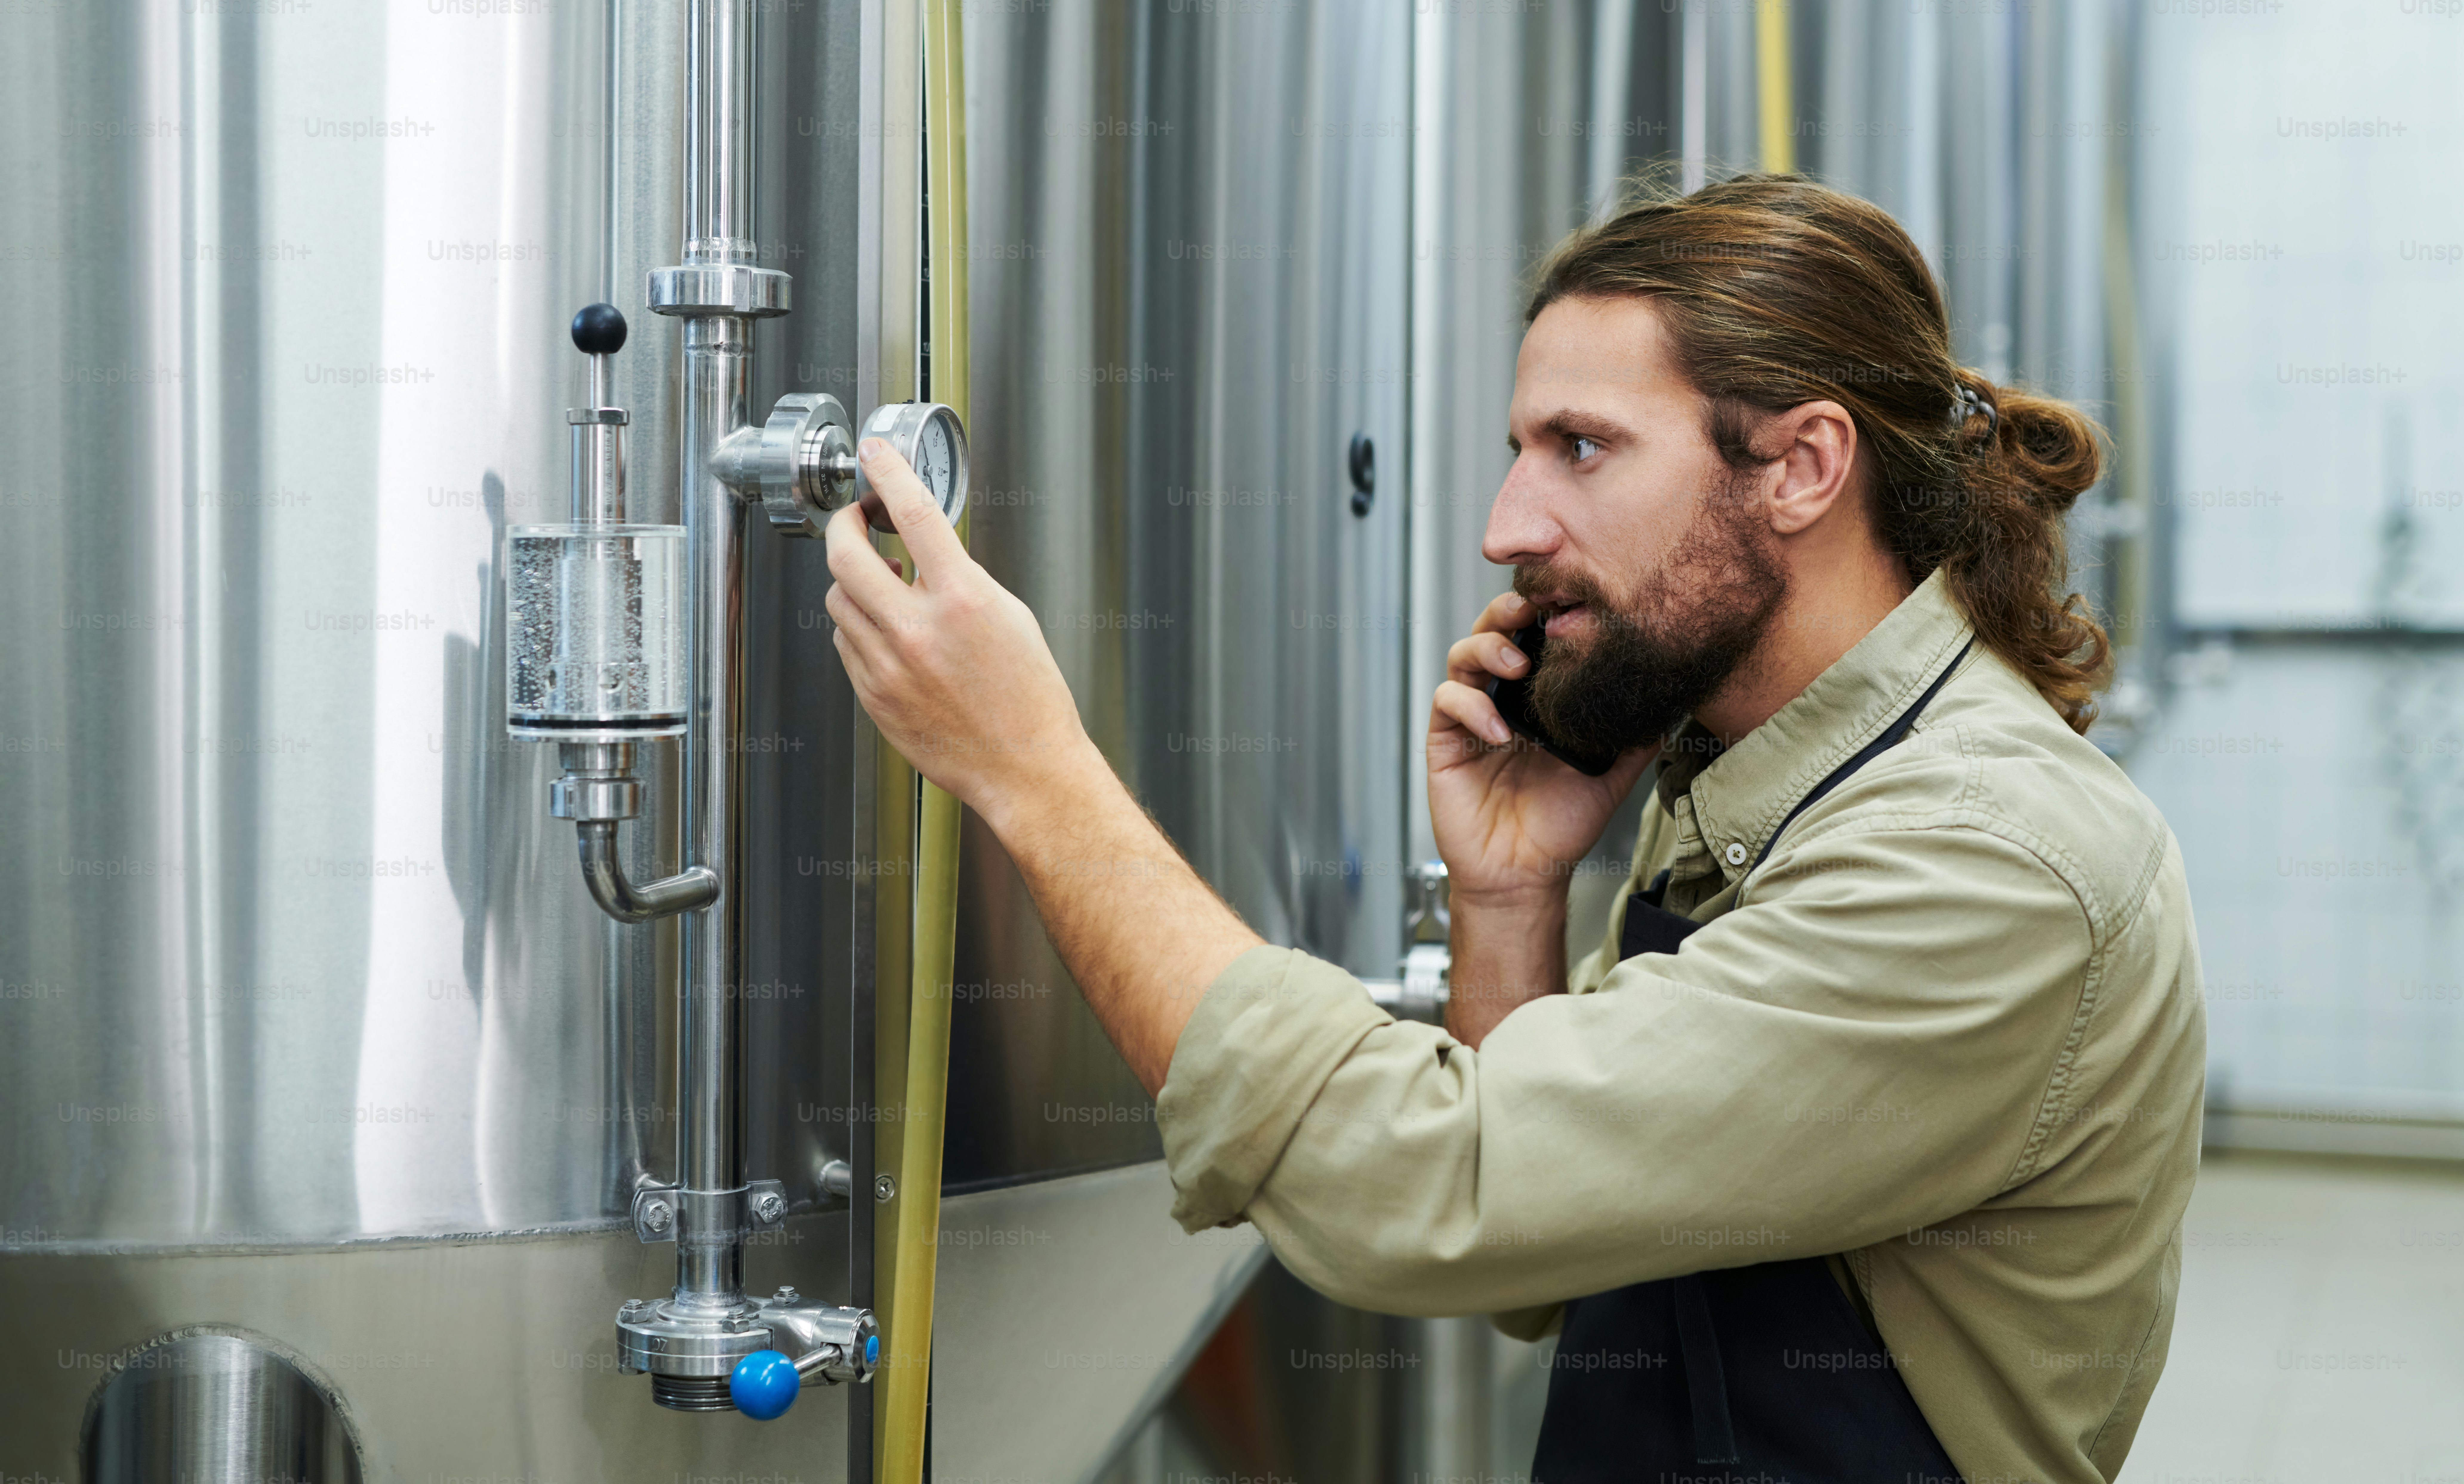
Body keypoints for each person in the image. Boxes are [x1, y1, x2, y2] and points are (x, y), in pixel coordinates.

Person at [823, 174, 2204, 1484]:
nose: (1505, 527)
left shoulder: (1976, 860)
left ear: (1801, 467)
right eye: (1518, 450)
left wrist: (1032, 770)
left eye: (1582, 448)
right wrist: (1508, 893)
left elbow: (1423, 1185)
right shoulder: (1763, 782)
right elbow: (1543, 1257)